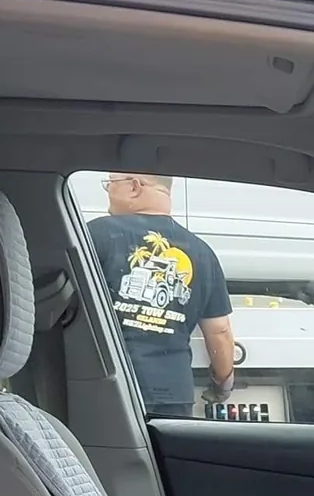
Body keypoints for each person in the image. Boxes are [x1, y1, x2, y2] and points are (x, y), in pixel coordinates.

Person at [86, 173, 235, 416]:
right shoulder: (202, 252)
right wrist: (223, 383)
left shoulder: (96, 234)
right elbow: (219, 331)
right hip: (174, 391)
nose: (108, 191)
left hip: (109, 388)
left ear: (134, 186)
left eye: (110, 183)